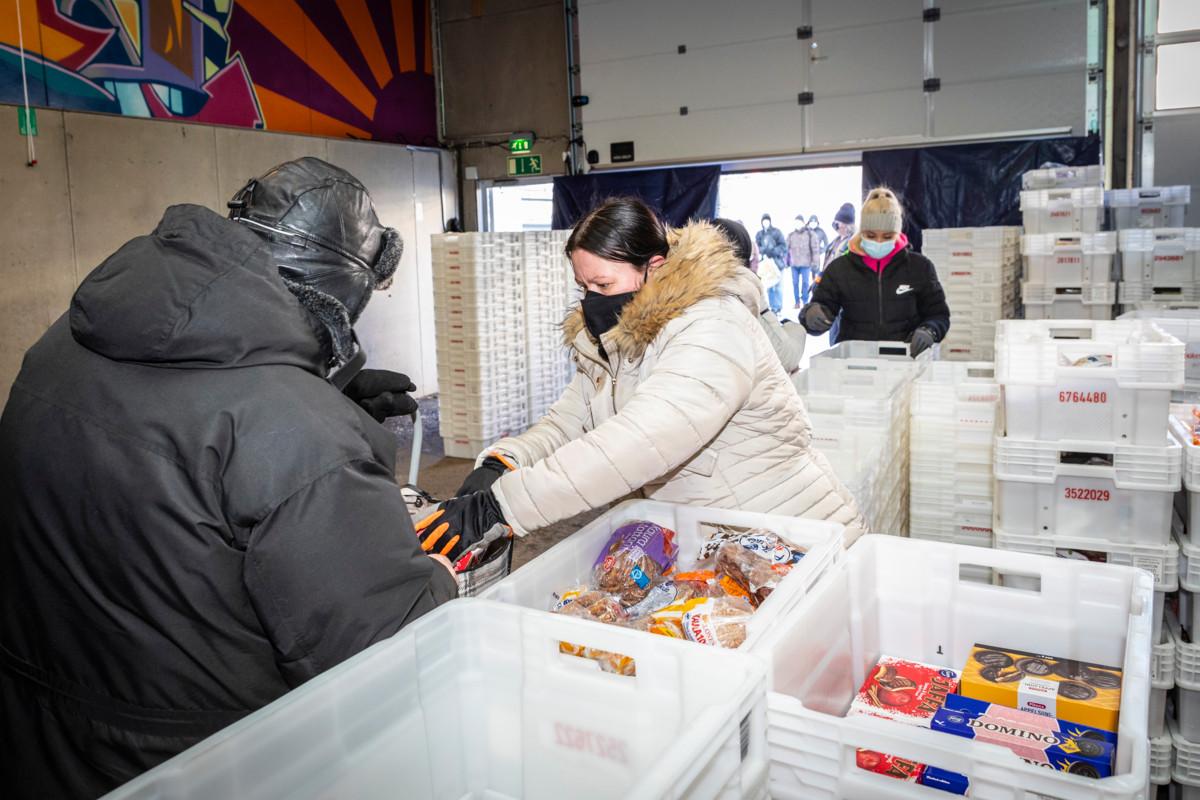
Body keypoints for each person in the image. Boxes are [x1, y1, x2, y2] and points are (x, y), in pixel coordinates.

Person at [0, 158, 456, 797]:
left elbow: (167, 446)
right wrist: (449, 582)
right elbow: (381, 645)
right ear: (337, 291)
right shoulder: (298, 433)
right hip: (206, 762)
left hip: (46, 733)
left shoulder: (64, 345)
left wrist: (332, 396)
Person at [415, 197, 867, 562]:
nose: (591, 302)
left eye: (604, 287)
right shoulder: (614, 338)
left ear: (652, 268)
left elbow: (636, 443)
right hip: (719, 546)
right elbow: (569, 422)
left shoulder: (712, 325)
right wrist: (501, 466)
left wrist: (504, 506)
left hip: (791, 539)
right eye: (583, 288)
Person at [800, 187, 949, 357]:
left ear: (897, 233)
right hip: (854, 363)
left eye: (887, 237)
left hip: (904, 362)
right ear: (861, 232)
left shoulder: (919, 268)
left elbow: (938, 314)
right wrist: (811, 316)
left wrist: (930, 331)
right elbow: (821, 307)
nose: (878, 242)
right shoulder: (840, 269)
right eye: (871, 235)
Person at [713, 217, 806, 374]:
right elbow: (785, 358)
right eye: (752, 259)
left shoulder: (675, 289)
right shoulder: (741, 292)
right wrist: (796, 329)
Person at [786, 214, 824, 308]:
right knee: (795, 283)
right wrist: (786, 261)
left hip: (806, 264)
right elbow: (785, 249)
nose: (797, 224)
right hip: (794, 264)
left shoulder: (810, 234)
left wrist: (815, 262)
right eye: (795, 223)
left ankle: (805, 300)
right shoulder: (791, 235)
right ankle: (797, 301)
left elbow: (815, 249)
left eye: (799, 222)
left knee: (805, 283)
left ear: (803, 223)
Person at [755, 213, 788, 314]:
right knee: (769, 286)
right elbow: (756, 247)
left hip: (777, 263)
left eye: (767, 220)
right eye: (764, 221)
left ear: (770, 221)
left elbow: (783, 246)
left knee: (777, 287)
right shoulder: (759, 234)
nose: (765, 223)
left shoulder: (777, 232)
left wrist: (773, 251)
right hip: (766, 265)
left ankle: (778, 308)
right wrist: (764, 250)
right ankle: (772, 308)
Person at [824, 202, 856, 269]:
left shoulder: (853, 243)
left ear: (845, 225)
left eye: (837, 222)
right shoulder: (836, 241)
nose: (834, 224)